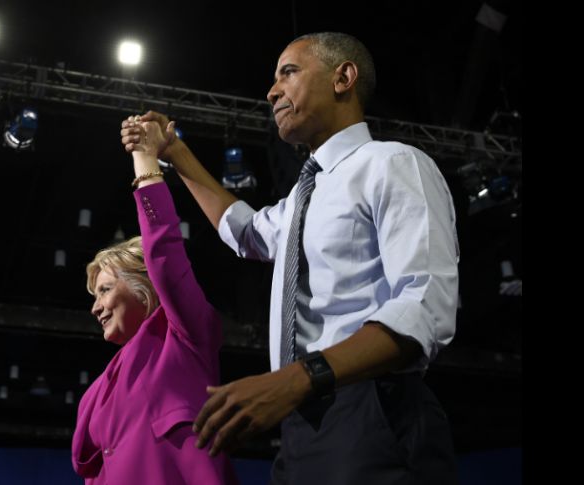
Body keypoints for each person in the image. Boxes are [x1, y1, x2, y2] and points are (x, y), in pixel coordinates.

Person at [121, 32, 460, 484]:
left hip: (373, 408)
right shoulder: (304, 196)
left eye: (288, 72)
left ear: (343, 77)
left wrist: (299, 377)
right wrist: (174, 151)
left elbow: (425, 306)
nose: (271, 91)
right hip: (299, 421)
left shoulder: (393, 163)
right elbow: (245, 231)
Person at [71, 118, 239, 484]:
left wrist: (145, 160)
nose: (95, 307)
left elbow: (163, 250)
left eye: (105, 290)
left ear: (143, 286)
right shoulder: (97, 392)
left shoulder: (186, 337)